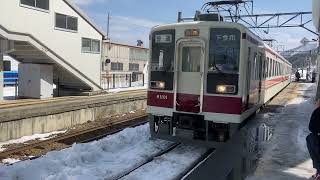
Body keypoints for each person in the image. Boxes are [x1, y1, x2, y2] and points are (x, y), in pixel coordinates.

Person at [307, 100, 320, 179]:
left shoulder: (317, 111)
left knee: (316, 154)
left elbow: (311, 127)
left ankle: (318, 173)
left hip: (317, 138)